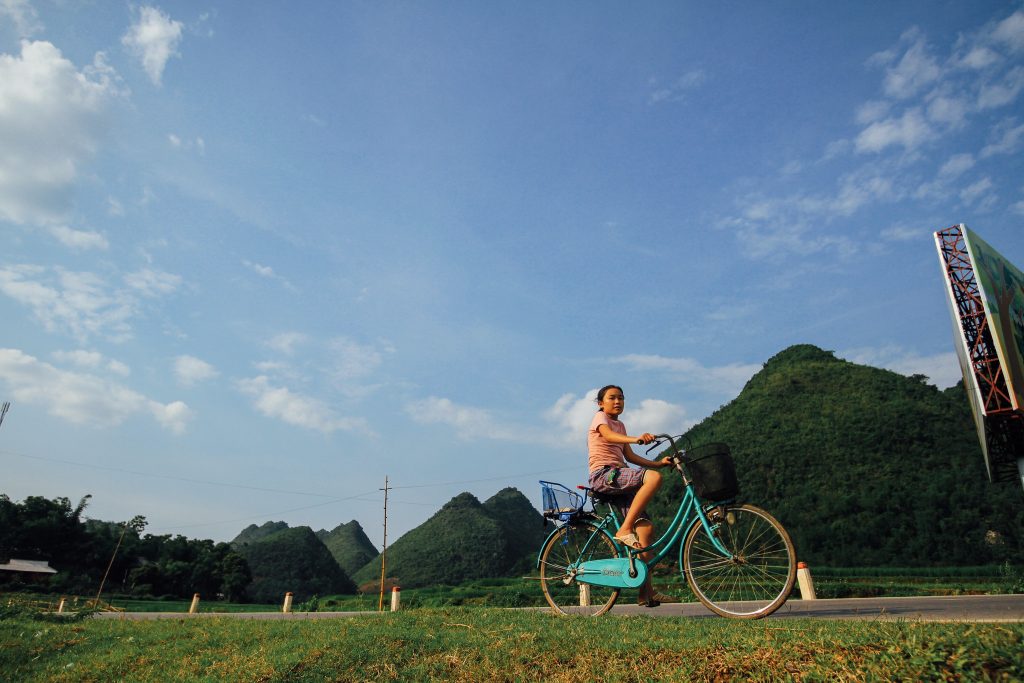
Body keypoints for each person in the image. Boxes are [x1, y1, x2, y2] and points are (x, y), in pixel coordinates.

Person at [587, 384, 677, 607]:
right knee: (653, 478)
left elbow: (630, 456)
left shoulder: (620, 425)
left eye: (621, 398)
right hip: (604, 474)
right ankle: (624, 529)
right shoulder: (600, 419)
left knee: (645, 532)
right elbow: (608, 436)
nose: (617, 402)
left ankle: (645, 593)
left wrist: (659, 463)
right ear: (601, 403)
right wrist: (637, 438)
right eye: (612, 398)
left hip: (619, 477)